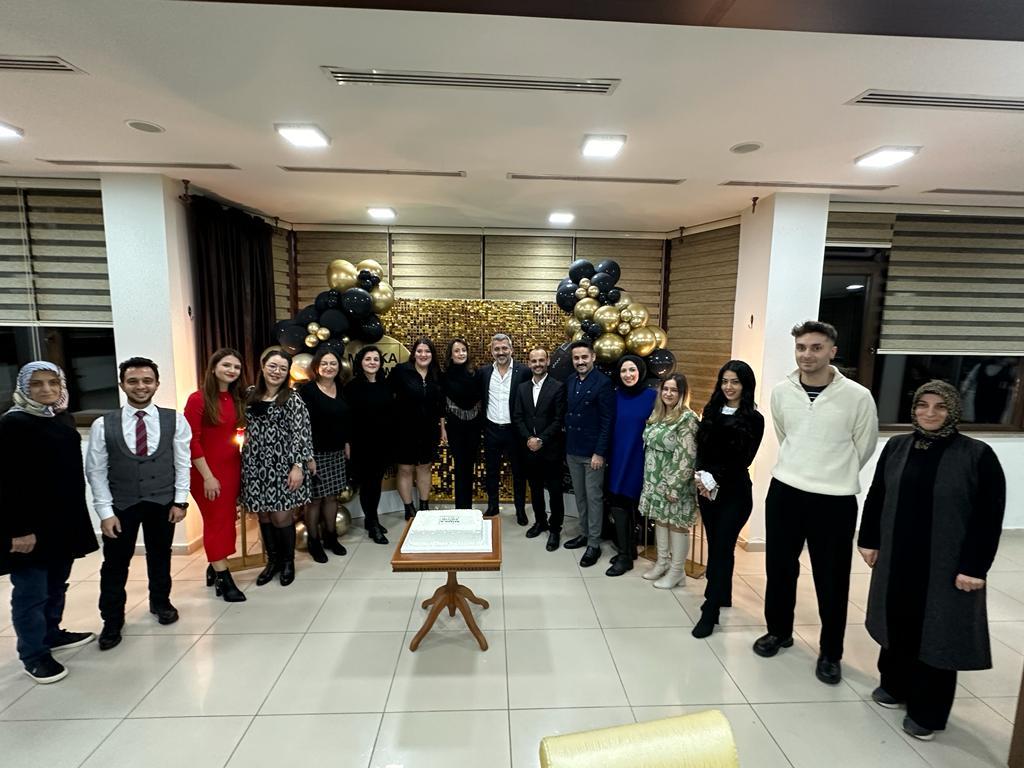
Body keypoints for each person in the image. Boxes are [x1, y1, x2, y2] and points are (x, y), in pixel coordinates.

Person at [857, 380, 1005, 741]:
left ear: (953, 410)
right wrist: (869, 539)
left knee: (938, 632)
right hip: (898, 556)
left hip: (945, 563)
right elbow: (878, 494)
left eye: (940, 406)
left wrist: (974, 567)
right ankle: (894, 685)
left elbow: (988, 516)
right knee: (897, 620)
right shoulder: (898, 446)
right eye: (923, 405)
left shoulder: (977, 455)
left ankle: (928, 712)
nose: (930, 413)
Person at [754, 321, 879, 687]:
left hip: (834, 500)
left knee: (832, 580)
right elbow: (785, 435)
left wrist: (832, 473)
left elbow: (864, 445)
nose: (807, 354)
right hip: (786, 491)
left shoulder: (857, 396)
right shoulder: (782, 391)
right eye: (801, 347)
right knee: (780, 569)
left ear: (832, 351)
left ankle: (830, 653)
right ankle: (779, 632)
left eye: (816, 347)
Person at [1, 362, 99, 683]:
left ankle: (51, 633)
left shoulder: (59, 417)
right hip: (30, 527)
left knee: (57, 583)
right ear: (23, 387)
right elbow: (7, 482)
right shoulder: (13, 424)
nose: (46, 389)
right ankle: (34, 655)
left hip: (63, 522)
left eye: (53, 383)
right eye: (37, 384)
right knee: (32, 591)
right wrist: (18, 530)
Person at [86, 357, 192, 651]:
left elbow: (182, 462)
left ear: (157, 384)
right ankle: (112, 619)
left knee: (160, 556)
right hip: (121, 505)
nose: (140, 386)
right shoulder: (102, 424)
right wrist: (105, 512)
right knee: (115, 564)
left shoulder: (175, 420)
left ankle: (160, 602)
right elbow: (95, 471)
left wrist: (180, 501)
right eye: (133, 381)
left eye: (147, 380)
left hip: (163, 501)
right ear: (122, 385)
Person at [691, 361, 765, 637]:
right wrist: (701, 475)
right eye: (725, 381)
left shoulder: (754, 418)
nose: (729, 387)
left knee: (721, 548)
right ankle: (724, 594)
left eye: (735, 381)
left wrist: (714, 478)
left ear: (745, 385)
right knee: (718, 546)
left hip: (734, 492)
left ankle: (710, 610)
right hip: (707, 491)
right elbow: (701, 447)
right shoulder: (711, 410)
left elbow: (743, 458)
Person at [241, 347, 314, 588]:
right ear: (263, 367)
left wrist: (298, 466)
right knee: (263, 515)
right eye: (272, 366)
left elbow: (301, 433)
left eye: (283, 368)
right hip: (255, 465)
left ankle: (287, 562)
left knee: (281, 515)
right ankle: (272, 562)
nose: (277, 371)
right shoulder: (250, 394)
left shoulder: (292, 398)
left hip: (283, 465)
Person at [184, 348, 247, 603]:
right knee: (217, 522)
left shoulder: (235, 398)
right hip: (205, 472)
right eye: (226, 365)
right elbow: (191, 441)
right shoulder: (198, 399)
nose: (232, 370)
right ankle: (224, 579)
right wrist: (208, 477)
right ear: (213, 368)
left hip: (231, 467)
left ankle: (214, 565)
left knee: (227, 519)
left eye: (236, 367)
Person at [638, 374, 699, 589]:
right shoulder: (658, 414)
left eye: (674, 390)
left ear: (682, 393)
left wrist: (674, 486)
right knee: (661, 521)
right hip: (654, 480)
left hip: (674, 482)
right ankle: (662, 562)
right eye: (665, 389)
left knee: (677, 525)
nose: (668, 394)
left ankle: (677, 571)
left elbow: (687, 456)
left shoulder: (687, 418)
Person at [562, 340, 615, 567]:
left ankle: (594, 543)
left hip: (592, 454)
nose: (580, 361)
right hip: (573, 450)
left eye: (584, 357)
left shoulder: (603, 383)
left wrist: (599, 452)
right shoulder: (571, 381)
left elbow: (607, 421)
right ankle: (584, 533)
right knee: (580, 496)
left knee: (593, 498)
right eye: (576, 358)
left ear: (593, 357)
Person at [605, 355, 657, 576]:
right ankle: (628, 551)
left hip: (639, 458)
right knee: (618, 502)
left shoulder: (653, 397)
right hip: (617, 457)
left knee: (629, 503)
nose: (628, 375)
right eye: (624, 371)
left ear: (641, 371)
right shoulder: (615, 395)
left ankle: (625, 556)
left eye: (632, 370)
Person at [299, 348, 351, 563]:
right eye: (325, 364)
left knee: (332, 497)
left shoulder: (340, 387)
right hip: (315, 453)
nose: (329, 367)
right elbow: (301, 425)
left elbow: (345, 419)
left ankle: (331, 537)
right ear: (316, 367)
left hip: (336, 452)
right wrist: (308, 456)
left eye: (333, 364)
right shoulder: (307, 390)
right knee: (315, 500)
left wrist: (346, 442)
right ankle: (314, 542)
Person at [512, 347, 566, 551]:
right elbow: (518, 416)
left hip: (550, 448)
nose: (537, 364)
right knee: (534, 489)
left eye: (541, 360)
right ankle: (540, 522)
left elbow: (558, 419)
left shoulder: (558, 387)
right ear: (529, 363)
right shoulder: (522, 388)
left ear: (548, 361)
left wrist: (541, 439)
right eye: (534, 361)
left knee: (555, 491)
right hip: (529, 449)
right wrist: (529, 438)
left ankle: (555, 529)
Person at [391, 338, 446, 520]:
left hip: (429, 429)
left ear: (432, 354)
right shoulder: (401, 371)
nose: (423, 355)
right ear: (414, 354)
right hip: (403, 429)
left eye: (427, 351)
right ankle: (409, 508)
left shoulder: (437, 374)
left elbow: (441, 405)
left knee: (425, 467)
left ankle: (424, 506)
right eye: (420, 351)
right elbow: (389, 397)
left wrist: (443, 428)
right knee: (405, 469)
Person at [479, 333, 531, 522]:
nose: (501, 352)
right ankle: (493, 506)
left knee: (519, 472)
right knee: (491, 471)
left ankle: (520, 510)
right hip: (491, 429)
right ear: (491, 351)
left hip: (515, 431)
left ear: (511, 349)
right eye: (497, 349)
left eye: (504, 348)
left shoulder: (523, 371)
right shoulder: (484, 372)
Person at [344, 345, 393, 544]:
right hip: (361, 444)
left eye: (375, 359)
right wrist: (347, 442)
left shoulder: (385, 384)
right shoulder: (352, 387)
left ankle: (371, 519)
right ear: (360, 362)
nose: (372, 362)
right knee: (367, 485)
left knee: (376, 482)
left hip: (382, 443)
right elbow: (346, 418)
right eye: (368, 359)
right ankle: (372, 524)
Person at [441, 338, 483, 510]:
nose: (461, 353)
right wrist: (443, 428)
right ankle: (460, 508)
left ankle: (468, 507)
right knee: (459, 466)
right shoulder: (444, 375)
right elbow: (441, 404)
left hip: (474, 427)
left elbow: (482, 399)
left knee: (469, 466)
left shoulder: (476, 373)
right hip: (455, 427)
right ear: (451, 355)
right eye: (457, 351)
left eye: (463, 350)